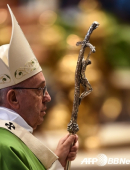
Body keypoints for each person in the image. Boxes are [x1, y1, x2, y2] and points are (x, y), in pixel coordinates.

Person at [0, 5, 79, 170]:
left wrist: (58, 163)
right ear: (13, 98)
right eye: (39, 90)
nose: (48, 97)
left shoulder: (14, 137)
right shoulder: (6, 147)